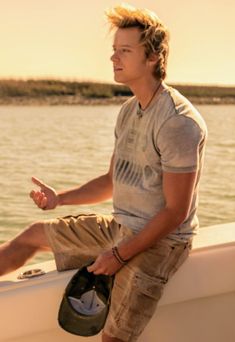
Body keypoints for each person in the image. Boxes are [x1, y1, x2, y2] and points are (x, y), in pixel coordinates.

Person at [0, 4, 207, 342]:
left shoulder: (177, 123)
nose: (114, 58)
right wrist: (59, 199)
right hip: (121, 226)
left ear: (153, 57)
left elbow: (175, 213)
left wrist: (118, 256)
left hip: (161, 242)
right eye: (114, 50)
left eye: (125, 51)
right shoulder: (128, 111)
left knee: (113, 337)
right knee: (32, 235)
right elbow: (113, 180)